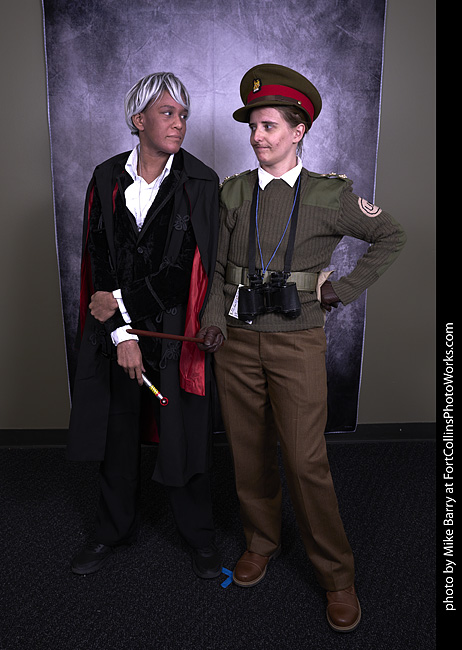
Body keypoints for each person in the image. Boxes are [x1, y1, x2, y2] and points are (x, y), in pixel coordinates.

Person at [197, 63, 406, 632]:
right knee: (247, 452)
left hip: (296, 343)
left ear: (298, 130)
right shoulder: (233, 191)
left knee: (305, 460)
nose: (256, 136)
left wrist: (344, 288)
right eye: (252, 127)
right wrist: (214, 322)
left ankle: (337, 576)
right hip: (237, 343)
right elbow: (217, 269)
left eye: (268, 126)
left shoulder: (330, 195)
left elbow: (392, 235)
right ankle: (260, 542)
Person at [67, 72, 223, 580]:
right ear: (138, 120)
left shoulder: (201, 182)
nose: (179, 123)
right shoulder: (106, 177)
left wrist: (117, 305)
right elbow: (99, 258)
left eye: (183, 115)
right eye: (167, 113)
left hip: (175, 336)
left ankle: (199, 537)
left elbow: (183, 274)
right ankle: (111, 530)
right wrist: (120, 334)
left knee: (183, 435)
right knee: (118, 434)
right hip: (119, 338)